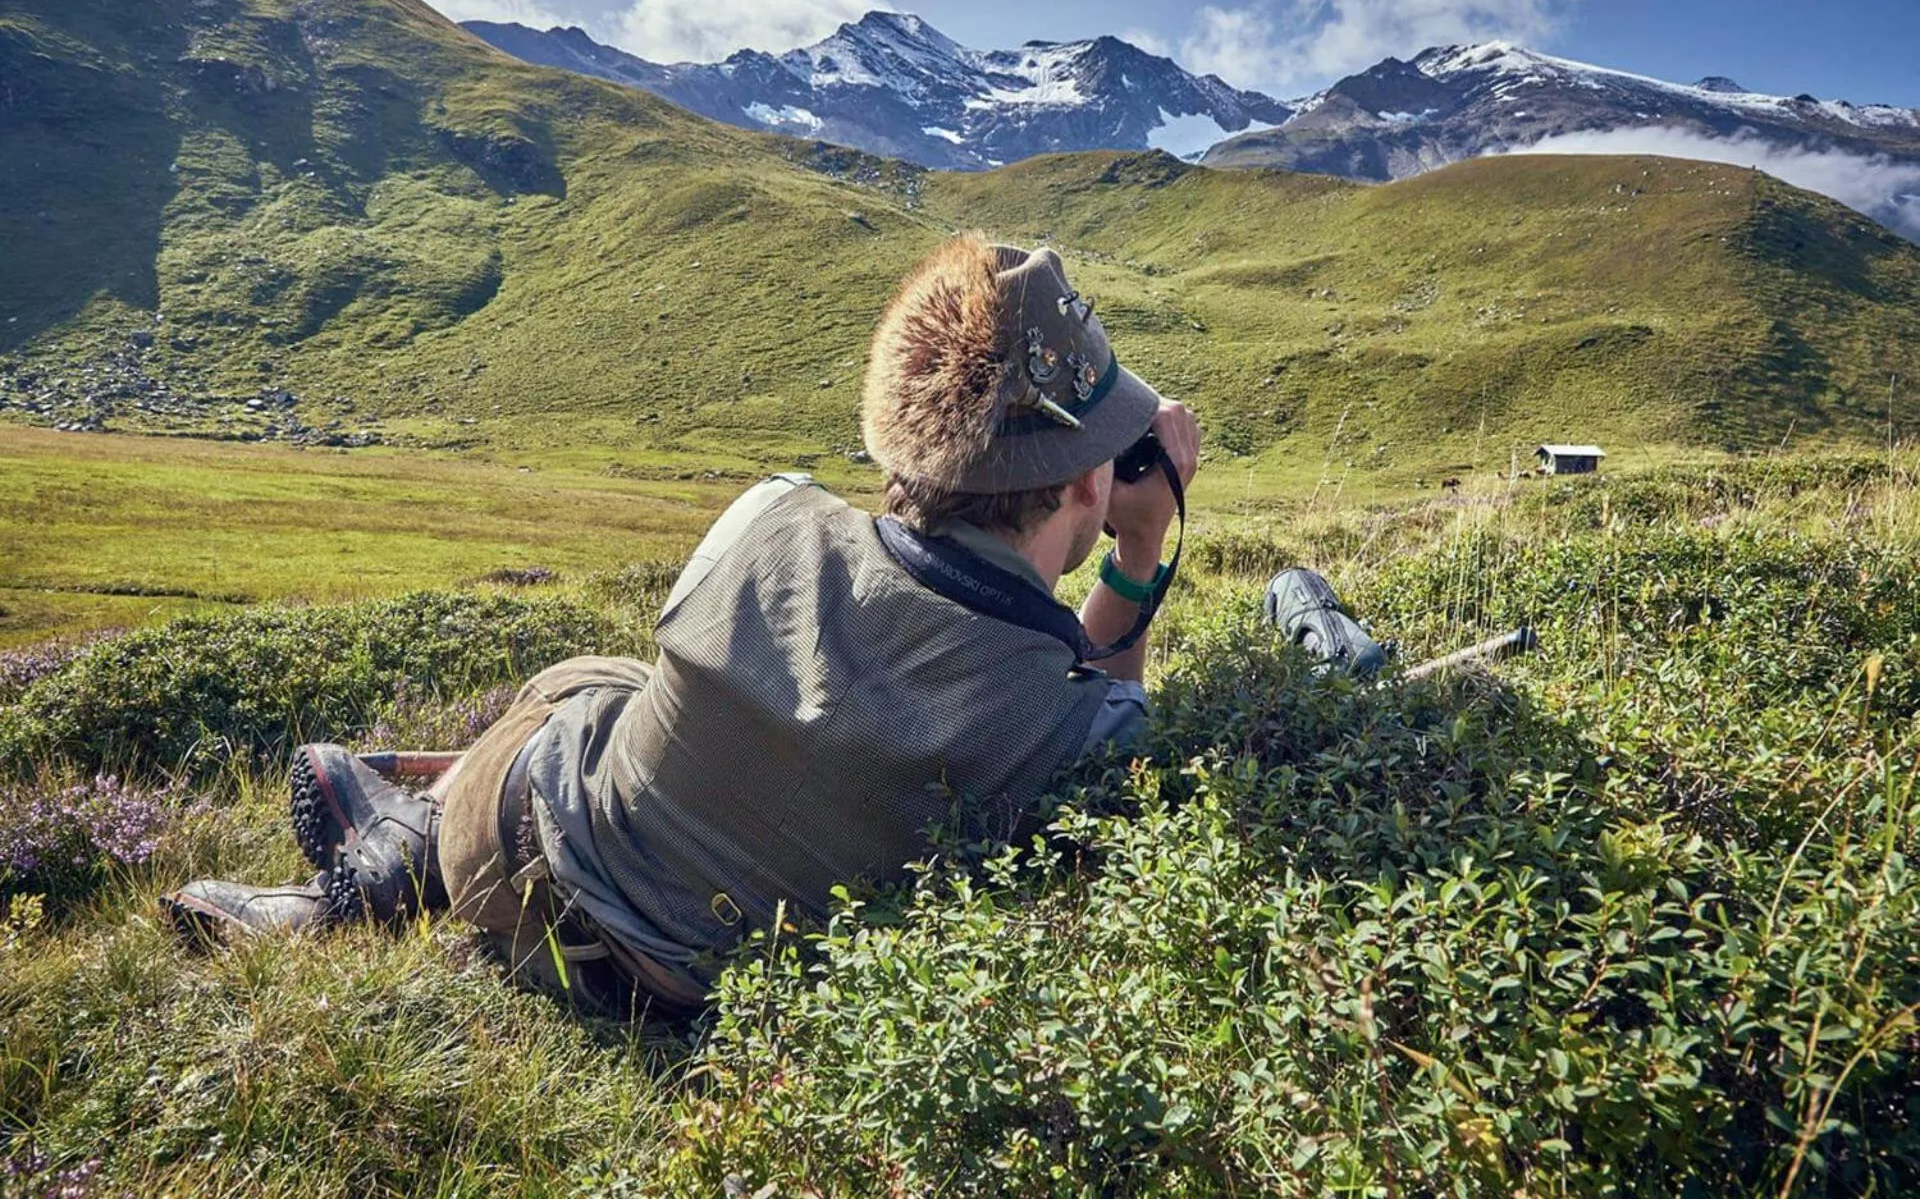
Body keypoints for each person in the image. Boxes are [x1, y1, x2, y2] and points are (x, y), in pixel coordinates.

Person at [160, 235, 1379, 1016]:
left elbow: (935, 594)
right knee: (604, 686)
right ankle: (379, 839)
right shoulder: (1067, 726)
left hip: (517, 859)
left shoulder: (765, 519)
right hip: (671, 997)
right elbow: (1087, 683)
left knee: (595, 685)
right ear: (1077, 484)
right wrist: (1144, 547)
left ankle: (381, 857)